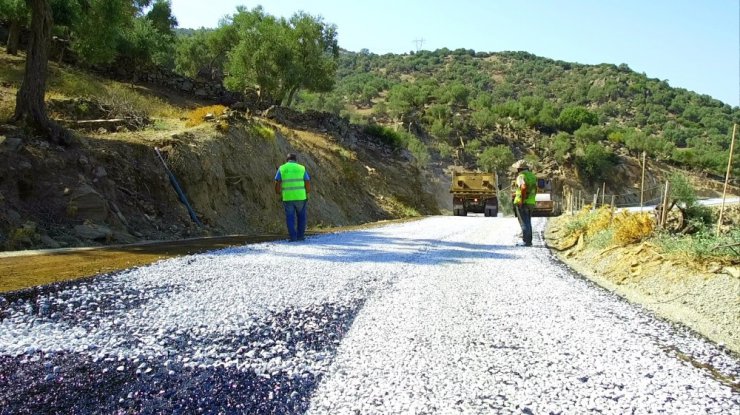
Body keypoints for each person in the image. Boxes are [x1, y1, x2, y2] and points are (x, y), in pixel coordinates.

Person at [275, 153, 311, 241]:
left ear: (286, 160)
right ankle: (300, 237)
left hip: (288, 198)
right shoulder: (301, 168)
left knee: (290, 218)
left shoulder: (282, 168)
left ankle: (293, 237)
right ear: (296, 160)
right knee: (301, 217)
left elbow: (277, 182)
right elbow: (307, 181)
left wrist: (277, 192)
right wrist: (307, 192)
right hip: (301, 197)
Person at [512, 159, 537, 246]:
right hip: (531, 202)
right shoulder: (533, 176)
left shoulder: (521, 176)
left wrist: (522, 201)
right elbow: (535, 189)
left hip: (523, 202)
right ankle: (529, 241)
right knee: (528, 221)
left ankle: (526, 241)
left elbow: (523, 187)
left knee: (523, 222)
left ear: (519, 169)